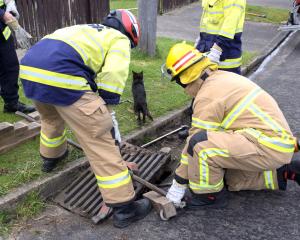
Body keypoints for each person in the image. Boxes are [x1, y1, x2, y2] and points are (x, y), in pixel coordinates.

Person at [19, 9, 151, 228]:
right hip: (63, 77)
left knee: (51, 119)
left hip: (31, 73)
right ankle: (124, 208)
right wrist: (104, 110)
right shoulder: (118, 39)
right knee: (100, 141)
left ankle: (51, 158)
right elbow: (112, 75)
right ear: (130, 32)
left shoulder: (82, 29)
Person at [161, 42, 300, 209]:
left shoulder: (207, 96)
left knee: (201, 146)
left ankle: (209, 196)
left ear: (186, 79)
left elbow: (193, 143)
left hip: (267, 145)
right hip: (273, 142)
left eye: (179, 82)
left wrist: (178, 183)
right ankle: (282, 173)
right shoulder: (221, 77)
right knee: (224, 176)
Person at [0, 0, 35, 113]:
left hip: (3, 33)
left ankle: (11, 103)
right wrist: (2, 14)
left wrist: (10, 4)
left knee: (10, 67)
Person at [195, 0, 246, 74]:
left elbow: (228, 28)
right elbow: (206, 24)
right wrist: (199, 43)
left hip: (226, 63)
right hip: (208, 58)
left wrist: (215, 53)